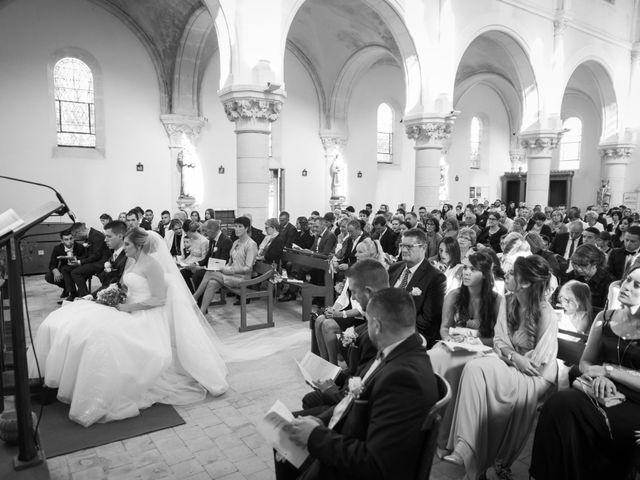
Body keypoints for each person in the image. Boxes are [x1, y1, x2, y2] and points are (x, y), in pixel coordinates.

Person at [28, 228, 228, 427]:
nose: (124, 248)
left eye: (127, 244)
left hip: (146, 316)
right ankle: (60, 378)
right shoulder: (133, 261)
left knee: (100, 335)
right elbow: (125, 287)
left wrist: (126, 308)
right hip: (127, 307)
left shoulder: (152, 265)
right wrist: (105, 297)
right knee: (76, 316)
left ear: (139, 245)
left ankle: (99, 389)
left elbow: (159, 299)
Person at [275, 288, 438, 480]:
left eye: (367, 322)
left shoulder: (403, 378)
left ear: (376, 326)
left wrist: (315, 436)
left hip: (352, 464)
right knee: (284, 433)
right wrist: (321, 421)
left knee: (285, 437)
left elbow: (375, 464)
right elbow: (352, 402)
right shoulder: (397, 351)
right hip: (349, 433)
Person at [444, 255, 557, 479]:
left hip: (538, 375)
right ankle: (466, 448)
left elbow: (536, 362)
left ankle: (471, 450)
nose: (506, 275)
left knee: (479, 370)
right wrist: (513, 356)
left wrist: (509, 355)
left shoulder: (545, 312)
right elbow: (499, 341)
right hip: (512, 363)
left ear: (525, 282)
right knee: (474, 368)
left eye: (512, 273)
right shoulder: (508, 300)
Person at [530, 265, 640, 480]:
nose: (626, 286)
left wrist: (609, 372)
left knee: (610, 431)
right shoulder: (605, 317)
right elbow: (585, 362)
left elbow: (604, 368)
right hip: (600, 390)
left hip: (635, 401)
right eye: (627, 280)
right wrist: (597, 374)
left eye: (637, 285)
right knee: (559, 405)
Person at [428, 251, 503, 452]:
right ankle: (431, 428)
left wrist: (475, 339)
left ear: (486, 274)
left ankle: (455, 436)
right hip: (454, 345)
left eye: (473, 269)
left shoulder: (496, 301)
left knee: (465, 369)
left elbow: (498, 338)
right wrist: (450, 338)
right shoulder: (454, 295)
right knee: (434, 358)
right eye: (465, 268)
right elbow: (444, 327)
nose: (467, 273)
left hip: (481, 349)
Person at [314, 238, 377, 364]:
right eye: (356, 251)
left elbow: (364, 308)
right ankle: (324, 361)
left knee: (328, 325)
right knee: (319, 319)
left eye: (360, 252)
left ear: (370, 254)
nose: (355, 254)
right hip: (349, 310)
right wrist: (333, 309)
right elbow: (344, 296)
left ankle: (333, 365)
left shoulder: (373, 273)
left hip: (362, 317)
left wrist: (340, 314)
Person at [388, 228, 446, 348]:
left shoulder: (435, 277)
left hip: (412, 332)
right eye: (402, 245)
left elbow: (427, 319)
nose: (403, 250)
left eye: (409, 246)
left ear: (423, 248)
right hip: (385, 324)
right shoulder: (394, 268)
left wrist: (396, 327)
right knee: (353, 337)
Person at [193, 217, 258, 313]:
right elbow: (230, 261)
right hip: (231, 275)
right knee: (212, 283)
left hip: (243, 278)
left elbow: (248, 268)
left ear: (247, 228)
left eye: (240, 226)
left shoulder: (251, 244)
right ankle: (201, 313)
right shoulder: (236, 242)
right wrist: (225, 267)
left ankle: (194, 297)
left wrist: (230, 270)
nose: (237, 229)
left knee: (210, 273)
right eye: (235, 226)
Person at [567, 244, 615, 310]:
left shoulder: (608, 281)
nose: (579, 269)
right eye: (576, 265)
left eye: (583, 266)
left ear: (595, 264)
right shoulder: (572, 276)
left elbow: (605, 309)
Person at [45, 229, 86, 301]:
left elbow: (85, 259)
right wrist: (55, 270)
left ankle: (72, 292)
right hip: (64, 269)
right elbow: (52, 264)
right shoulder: (57, 248)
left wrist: (76, 260)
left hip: (76, 269)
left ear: (73, 238)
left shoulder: (80, 247)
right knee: (49, 276)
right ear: (62, 241)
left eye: (71, 238)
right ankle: (67, 288)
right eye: (66, 239)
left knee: (67, 271)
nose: (69, 241)